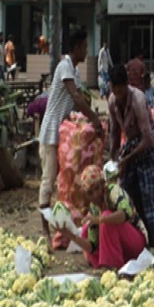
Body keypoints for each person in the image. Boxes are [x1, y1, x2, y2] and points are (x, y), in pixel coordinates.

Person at [38, 29, 103, 243]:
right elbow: (75, 96)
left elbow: (78, 99)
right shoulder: (65, 66)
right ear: (76, 48)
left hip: (63, 134)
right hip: (50, 132)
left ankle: (64, 228)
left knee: (63, 181)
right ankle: (45, 230)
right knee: (48, 179)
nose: (86, 51)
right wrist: (94, 118)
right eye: (84, 47)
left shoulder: (74, 71)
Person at [107, 64, 154, 250]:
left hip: (145, 147)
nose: (118, 95)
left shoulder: (138, 100)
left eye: (121, 90)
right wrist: (113, 160)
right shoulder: (111, 102)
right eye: (114, 91)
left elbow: (148, 138)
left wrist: (126, 160)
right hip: (131, 146)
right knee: (128, 194)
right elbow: (114, 134)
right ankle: (137, 238)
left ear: (126, 85)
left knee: (148, 194)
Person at [66, 164, 148, 269]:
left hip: (135, 243)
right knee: (86, 229)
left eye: (97, 188)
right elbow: (92, 246)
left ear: (103, 184)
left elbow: (125, 214)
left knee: (106, 218)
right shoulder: (94, 207)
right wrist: (71, 236)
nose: (95, 195)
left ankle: (111, 266)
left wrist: (100, 219)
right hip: (121, 250)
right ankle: (104, 262)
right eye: (90, 193)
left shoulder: (113, 190)